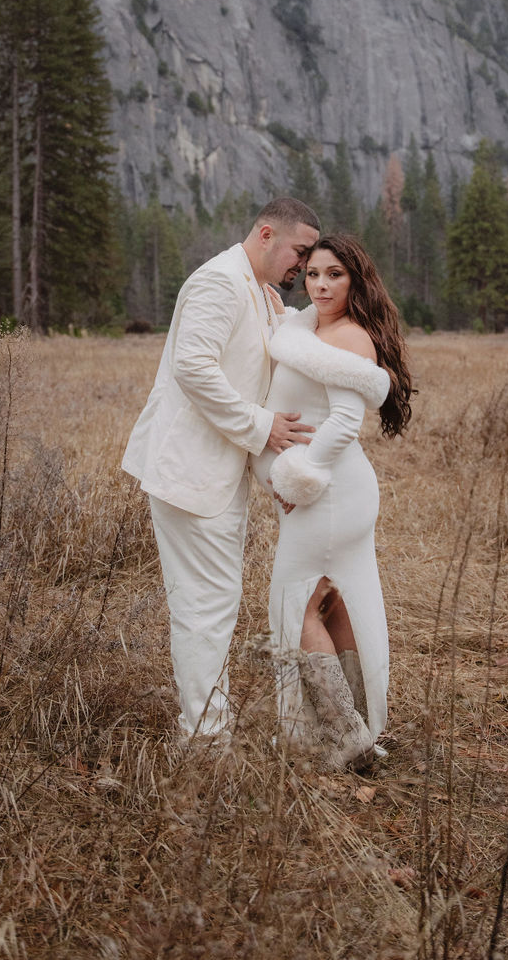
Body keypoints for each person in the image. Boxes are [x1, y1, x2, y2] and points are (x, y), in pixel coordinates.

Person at [122, 196, 321, 740]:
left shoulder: (260, 292)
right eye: (300, 252)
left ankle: (208, 725)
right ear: (264, 235)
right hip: (190, 473)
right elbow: (193, 367)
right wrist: (264, 428)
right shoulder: (219, 281)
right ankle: (204, 739)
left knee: (215, 603)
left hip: (220, 473)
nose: (302, 267)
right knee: (205, 608)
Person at [253, 233, 412, 772]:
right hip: (328, 491)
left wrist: (299, 476)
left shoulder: (349, 338)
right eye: (314, 273)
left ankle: (344, 737)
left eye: (334, 275)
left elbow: (346, 420)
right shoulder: (308, 328)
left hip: (328, 491)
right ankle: (361, 727)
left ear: (356, 280)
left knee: (293, 605)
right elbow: (293, 344)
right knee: (332, 600)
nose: (320, 284)